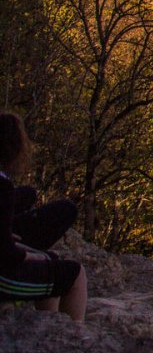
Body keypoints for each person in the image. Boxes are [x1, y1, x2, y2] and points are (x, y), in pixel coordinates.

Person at [0, 113, 86, 321]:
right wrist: (30, 255)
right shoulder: (2, 187)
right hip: (3, 277)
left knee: (51, 261)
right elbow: (4, 253)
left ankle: (48, 326)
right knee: (74, 274)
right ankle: (69, 337)